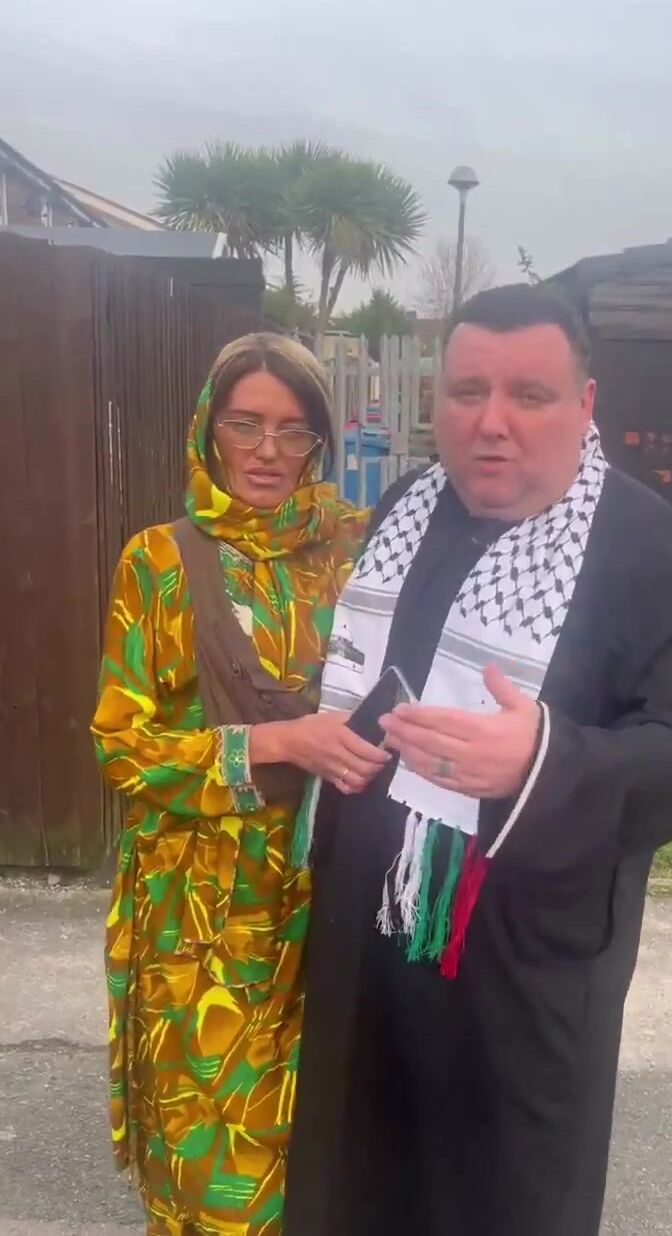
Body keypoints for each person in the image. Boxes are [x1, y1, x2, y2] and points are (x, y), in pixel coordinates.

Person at [284, 285, 672, 1236]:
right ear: (435, 400)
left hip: (523, 974)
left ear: (585, 403)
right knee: (357, 1184)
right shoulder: (405, 510)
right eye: (468, 391)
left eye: (530, 395)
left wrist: (545, 761)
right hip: (366, 947)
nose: (492, 422)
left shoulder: (648, 548)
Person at [92, 333, 384, 1236]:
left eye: (294, 431)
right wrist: (268, 744)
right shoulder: (158, 563)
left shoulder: (358, 554)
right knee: (212, 1165)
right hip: (201, 913)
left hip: (324, 896)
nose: (266, 451)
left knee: (321, 1147)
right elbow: (122, 747)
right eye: (245, 424)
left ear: (320, 441)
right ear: (207, 429)